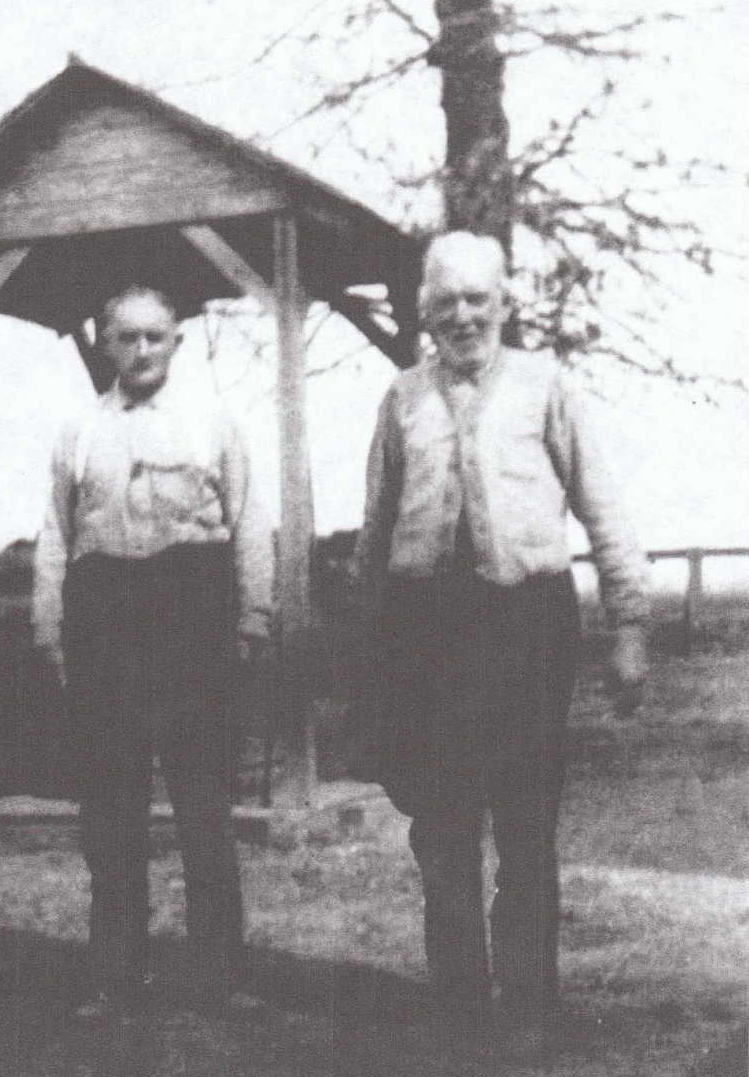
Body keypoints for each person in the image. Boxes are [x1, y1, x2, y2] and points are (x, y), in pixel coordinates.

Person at [352, 231, 649, 1053]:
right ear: (423, 312)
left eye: (477, 298)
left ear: (504, 303)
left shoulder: (544, 386)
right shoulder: (401, 398)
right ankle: (458, 1004)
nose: (463, 315)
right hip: (424, 635)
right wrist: (365, 643)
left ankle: (526, 1004)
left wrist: (628, 624)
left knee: (524, 822)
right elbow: (375, 531)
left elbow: (602, 507)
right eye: (445, 300)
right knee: (441, 827)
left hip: (525, 628)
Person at [32, 284, 273, 1018]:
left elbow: (249, 522)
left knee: (203, 803)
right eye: (126, 337)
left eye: (155, 337)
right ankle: (114, 975)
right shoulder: (77, 429)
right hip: (107, 625)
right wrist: (49, 628)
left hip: (192, 621)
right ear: (104, 342)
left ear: (177, 341)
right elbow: (55, 535)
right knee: (111, 810)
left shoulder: (211, 423)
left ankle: (219, 976)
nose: (141, 350)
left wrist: (253, 618)